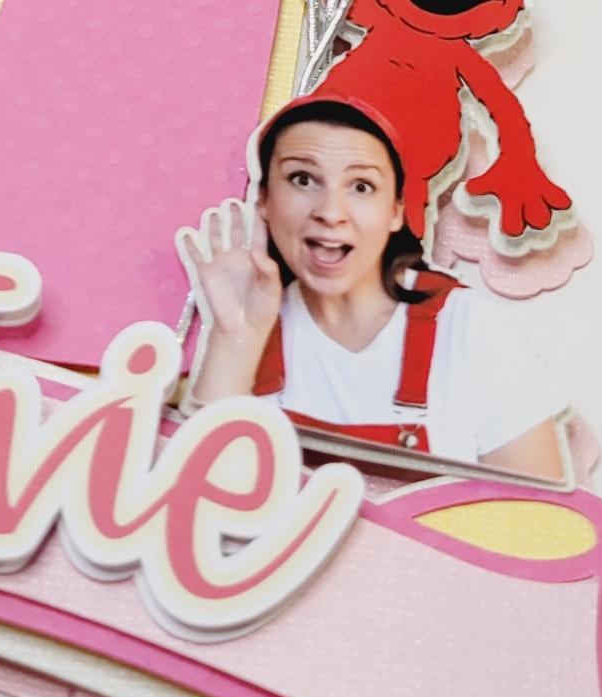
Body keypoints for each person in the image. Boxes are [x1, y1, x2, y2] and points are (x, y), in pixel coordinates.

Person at [180, 98, 569, 478]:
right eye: (303, 179)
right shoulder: (247, 316)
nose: (331, 212)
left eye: (362, 186)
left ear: (396, 210)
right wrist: (235, 338)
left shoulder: (469, 327)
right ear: (264, 199)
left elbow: (537, 516)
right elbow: (199, 495)